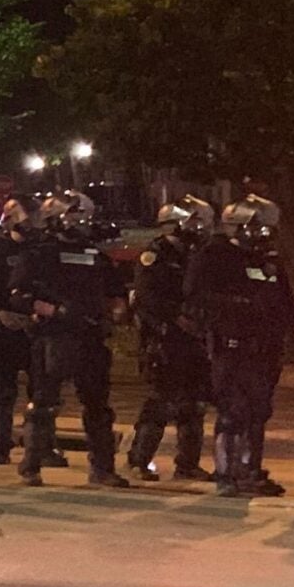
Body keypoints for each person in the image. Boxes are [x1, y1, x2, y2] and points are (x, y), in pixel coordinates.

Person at [11, 190, 127, 486]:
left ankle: (102, 468)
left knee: (98, 407)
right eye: (75, 216)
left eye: (84, 216)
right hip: (54, 335)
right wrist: (50, 310)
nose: (82, 222)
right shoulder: (40, 253)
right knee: (44, 403)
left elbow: (116, 293)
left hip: (90, 336)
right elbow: (19, 295)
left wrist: (115, 311)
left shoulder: (95, 255)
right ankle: (32, 464)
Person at [189, 195, 294, 498]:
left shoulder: (268, 261)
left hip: (264, 350)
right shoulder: (215, 256)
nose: (264, 235)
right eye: (259, 228)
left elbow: (285, 303)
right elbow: (197, 296)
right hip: (231, 347)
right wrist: (240, 307)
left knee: (258, 412)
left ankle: (251, 472)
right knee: (231, 412)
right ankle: (226, 473)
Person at [126, 197, 214, 481]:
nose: (198, 229)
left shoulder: (196, 254)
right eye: (193, 223)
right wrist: (176, 318)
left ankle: (188, 464)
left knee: (194, 403)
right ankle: (139, 460)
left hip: (193, 340)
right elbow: (146, 297)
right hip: (164, 339)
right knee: (161, 401)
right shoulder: (155, 256)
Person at [0, 199, 61, 467]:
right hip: (4, 329)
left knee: (43, 391)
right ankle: (0, 445)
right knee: (2, 391)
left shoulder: (43, 248)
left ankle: (43, 446)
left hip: (37, 328)